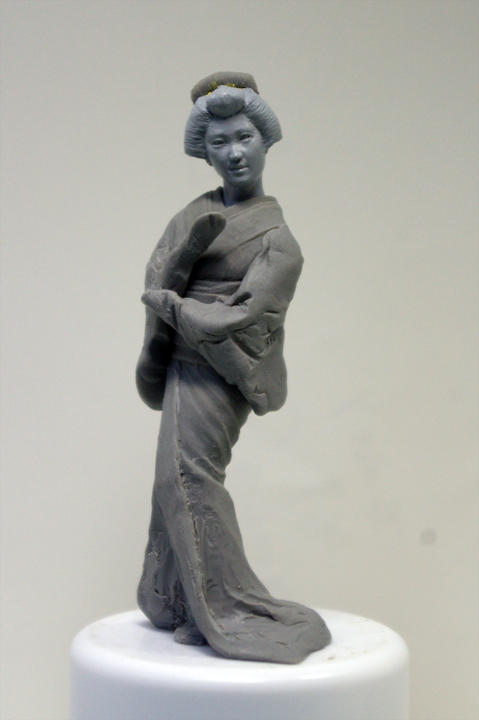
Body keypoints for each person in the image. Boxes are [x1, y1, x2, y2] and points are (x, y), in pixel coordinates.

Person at [136, 72, 331, 663]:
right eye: (219, 142)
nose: (234, 152)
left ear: (265, 141)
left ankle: (225, 605)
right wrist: (174, 280)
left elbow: (245, 318)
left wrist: (175, 307)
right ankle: (181, 601)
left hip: (222, 369)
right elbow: (158, 269)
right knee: (171, 478)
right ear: (205, 153)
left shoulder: (280, 242)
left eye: (244, 137)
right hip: (181, 361)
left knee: (190, 477)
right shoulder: (190, 214)